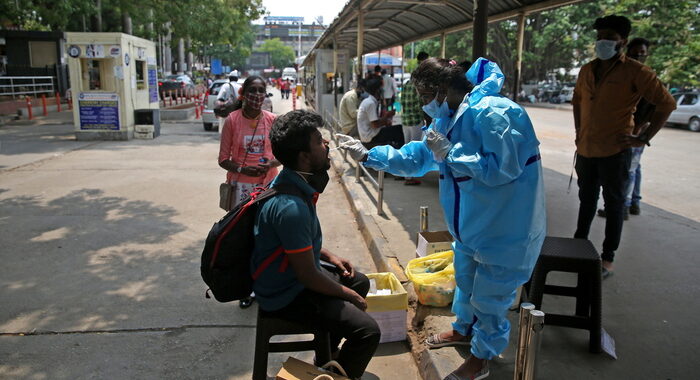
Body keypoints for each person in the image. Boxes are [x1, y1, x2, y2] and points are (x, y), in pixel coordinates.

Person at [338, 57, 546, 380]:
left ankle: (481, 359)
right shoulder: (447, 118)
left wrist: (452, 154)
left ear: (441, 88)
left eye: (424, 94)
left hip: (504, 230)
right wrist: (370, 155)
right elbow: (418, 157)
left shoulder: (497, 112)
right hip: (470, 228)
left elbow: (502, 169)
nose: (423, 103)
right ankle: (463, 329)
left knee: (491, 299)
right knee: (465, 283)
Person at [253, 110, 381, 379]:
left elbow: (295, 243)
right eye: (318, 140)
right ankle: (333, 375)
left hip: (292, 277)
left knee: (359, 280)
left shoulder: (291, 180)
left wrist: (330, 256)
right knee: (367, 331)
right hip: (285, 294)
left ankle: (327, 358)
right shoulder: (290, 207)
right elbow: (308, 275)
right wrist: (346, 296)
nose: (326, 144)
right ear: (304, 156)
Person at [572, 15, 676, 278]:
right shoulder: (586, 70)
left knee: (615, 204)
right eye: (599, 38)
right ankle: (578, 244)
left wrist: (644, 137)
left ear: (622, 42)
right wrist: (578, 130)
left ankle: (607, 259)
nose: (602, 43)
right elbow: (577, 101)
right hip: (586, 149)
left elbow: (666, 103)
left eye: (609, 38)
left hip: (615, 152)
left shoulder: (636, 72)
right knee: (586, 200)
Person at [218, 76, 281, 308]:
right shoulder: (232, 121)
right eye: (252, 91)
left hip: (268, 189)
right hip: (241, 190)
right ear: (243, 94)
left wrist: (271, 165)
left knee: (266, 239)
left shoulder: (272, 120)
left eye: (261, 91)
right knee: (244, 240)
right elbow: (223, 159)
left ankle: (264, 287)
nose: (256, 95)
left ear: (265, 95)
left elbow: (283, 153)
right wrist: (244, 168)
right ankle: (245, 289)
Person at [597, 37, 654, 219]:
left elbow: (659, 105)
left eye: (642, 53)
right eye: (636, 52)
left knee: (628, 169)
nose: (639, 55)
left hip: (635, 131)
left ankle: (623, 206)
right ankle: (634, 202)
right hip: (629, 130)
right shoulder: (628, 73)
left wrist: (642, 132)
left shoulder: (644, 75)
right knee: (634, 168)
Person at [399, 51, 430, 186]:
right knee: (415, 149)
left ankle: (404, 173)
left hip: (405, 121)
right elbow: (420, 105)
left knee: (406, 148)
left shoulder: (406, 84)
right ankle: (409, 177)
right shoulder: (418, 87)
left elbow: (402, 103)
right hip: (415, 120)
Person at [356, 77, 402, 149]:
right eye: (381, 88)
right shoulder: (370, 103)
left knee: (394, 129)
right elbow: (375, 124)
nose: (383, 90)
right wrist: (387, 116)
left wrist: (386, 119)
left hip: (369, 134)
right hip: (370, 137)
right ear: (377, 90)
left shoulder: (371, 101)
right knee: (399, 130)